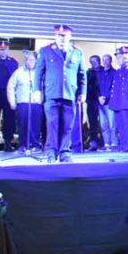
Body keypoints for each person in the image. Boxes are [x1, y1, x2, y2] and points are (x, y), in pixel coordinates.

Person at [34, 25, 86, 163]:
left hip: (70, 93)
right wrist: (37, 90)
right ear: (55, 36)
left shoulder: (77, 53)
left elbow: (82, 74)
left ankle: (64, 151)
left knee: (68, 125)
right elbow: (38, 72)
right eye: (58, 35)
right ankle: (51, 151)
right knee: (52, 124)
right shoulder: (45, 51)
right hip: (52, 93)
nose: (61, 38)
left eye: (64, 36)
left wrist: (82, 92)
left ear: (70, 37)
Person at [7, 50, 42, 153]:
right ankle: (23, 145)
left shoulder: (39, 73)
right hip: (23, 103)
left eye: (33, 60)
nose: (31, 62)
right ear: (25, 61)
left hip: (36, 103)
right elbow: (10, 87)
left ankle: (35, 145)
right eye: (29, 60)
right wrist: (12, 102)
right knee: (23, 125)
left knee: (35, 125)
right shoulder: (18, 72)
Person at [110, 48, 128, 152]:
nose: (124, 56)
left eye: (127, 53)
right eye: (123, 54)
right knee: (122, 126)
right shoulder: (121, 69)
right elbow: (117, 87)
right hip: (119, 102)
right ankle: (124, 144)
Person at [96, 54, 117, 150]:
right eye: (103, 60)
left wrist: (106, 98)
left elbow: (115, 88)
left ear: (111, 61)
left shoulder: (114, 73)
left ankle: (114, 143)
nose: (104, 62)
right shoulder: (99, 73)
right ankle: (106, 143)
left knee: (112, 124)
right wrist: (99, 97)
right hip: (100, 103)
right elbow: (96, 87)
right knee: (103, 125)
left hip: (110, 102)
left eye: (106, 60)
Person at [85, 55, 103, 151]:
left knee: (104, 123)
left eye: (95, 61)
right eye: (91, 61)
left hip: (104, 100)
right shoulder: (88, 73)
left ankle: (104, 143)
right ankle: (93, 143)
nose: (93, 63)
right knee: (92, 123)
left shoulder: (104, 71)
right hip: (91, 101)